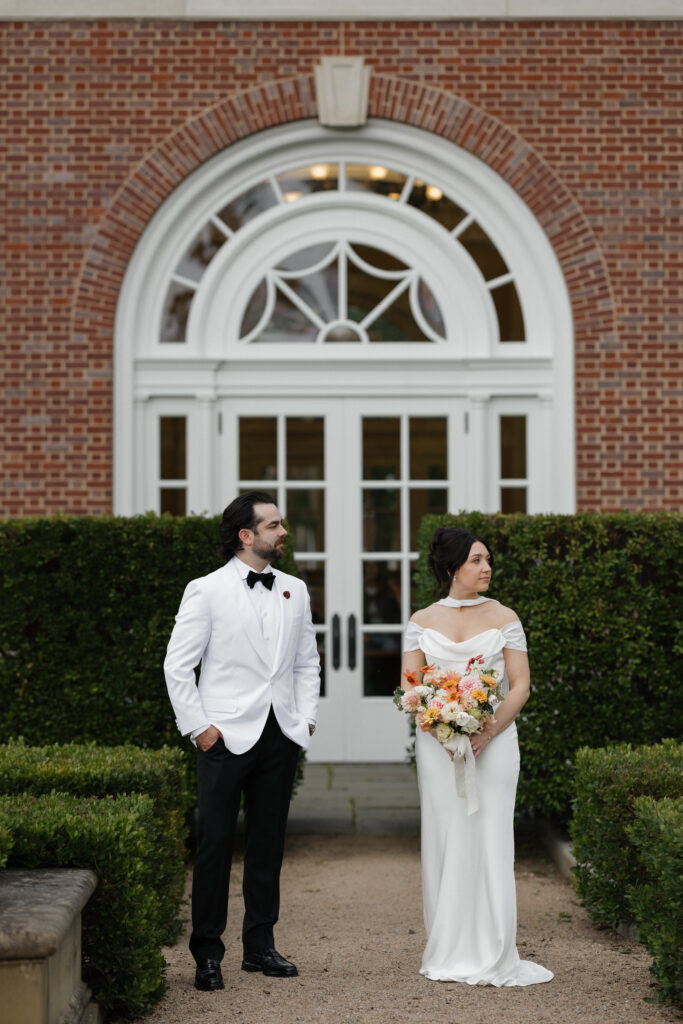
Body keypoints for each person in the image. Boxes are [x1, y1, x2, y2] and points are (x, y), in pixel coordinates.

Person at [164, 491, 320, 992]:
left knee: (268, 844)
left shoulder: (295, 588)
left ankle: (260, 946)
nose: (283, 532)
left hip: (281, 735)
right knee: (213, 845)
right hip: (223, 737)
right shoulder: (205, 590)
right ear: (246, 536)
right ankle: (207, 954)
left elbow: (306, 662)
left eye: (282, 524)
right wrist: (199, 728)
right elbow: (177, 665)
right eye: (274, 525)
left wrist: (305, 719)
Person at [402, 526, 553, 986]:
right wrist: (441, 727)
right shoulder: (421, 620)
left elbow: (520, 684)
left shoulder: (505, 615)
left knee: (491, 838)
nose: (486, 568)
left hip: (496, 740)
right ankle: (448, 945)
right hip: (438, 749)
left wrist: (487, 730)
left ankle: (494, 947)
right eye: (475, 561)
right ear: (451, 568)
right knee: (447, 835)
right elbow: (412, 687)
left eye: (487, 560)